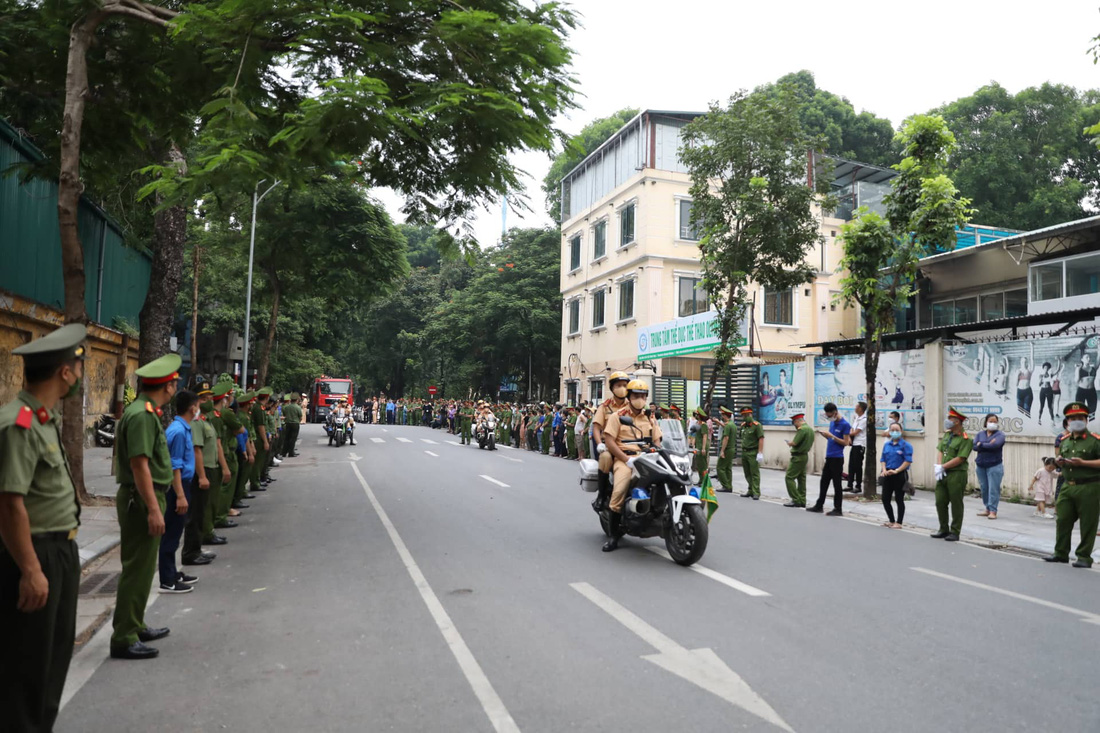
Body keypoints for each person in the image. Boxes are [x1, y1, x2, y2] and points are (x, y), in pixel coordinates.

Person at [0, 324, 86, 732]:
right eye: (77, 367)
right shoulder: (18, 423)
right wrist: (31, 570)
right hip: (34, 554)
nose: (79, 376)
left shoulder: (43, 419)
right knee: (27, 666)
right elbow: (9, 503)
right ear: (65, 373)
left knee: (53, 659)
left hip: (60, 551)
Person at [110, 353, 180, 660]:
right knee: (136, 569)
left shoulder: (146, 411)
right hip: (142, 499)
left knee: (142, 569)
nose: (176, 386)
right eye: (175, 382)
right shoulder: (141, 415)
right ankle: (124, 636)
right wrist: (153, 508)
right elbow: (139, 465)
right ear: (167, 386)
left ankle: (135, 624)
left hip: (148, 496)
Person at [599, 380, 663, 552]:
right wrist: (626, 459)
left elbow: (657, 440)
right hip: (625, 459)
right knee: (619, 490)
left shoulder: (650, 417)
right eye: (636, 396)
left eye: (643, 396)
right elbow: (610, 442)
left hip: (647, 458)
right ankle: (613, 536)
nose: (640, 399)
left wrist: (658, 451)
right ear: (628, 396)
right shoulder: (617, 416)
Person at [1044, 403, 1100, 567]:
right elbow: (1059, 458)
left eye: (1080, 418)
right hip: (1068, 486)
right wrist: (1058, 461)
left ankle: (1084, 557)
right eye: (1073, 418)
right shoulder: (1064, 441)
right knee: (1063, 519)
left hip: (1089, 486)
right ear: (1067, 421)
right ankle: (1061, 553)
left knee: (1088, 523)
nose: (1077, 421)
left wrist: (1084, 463)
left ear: (1086, 420)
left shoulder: (1095, 441)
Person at [160, 390, 197, 594]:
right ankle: (167, 579)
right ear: (192, 408)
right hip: (178, 487)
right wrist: (180, 495)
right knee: (171, 533)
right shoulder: (179, 431)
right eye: (198, 405)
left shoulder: (183, 428)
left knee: (176, 531)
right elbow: (175, 466)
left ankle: (172, 573)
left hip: (183, 485)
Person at [181, 382, 222, 568]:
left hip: (206, 469)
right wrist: (203, 476)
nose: (209, 401)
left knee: (201, 512)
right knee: (195, 515)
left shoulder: (205, 420)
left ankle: (196, 550)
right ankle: (191, 553)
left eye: (209, 398)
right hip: (200, 472)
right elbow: (197, 450)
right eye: (203, 399)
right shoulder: (197, 422)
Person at [931, 407, 972, 542]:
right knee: (940, 501)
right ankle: (943, 529)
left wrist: (943, 466)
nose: (947, 421)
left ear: (957, 422)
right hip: (943, 473)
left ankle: (955, 531)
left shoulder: (966, 439)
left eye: (950, 419)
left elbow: (961, 458)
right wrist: (939, 466)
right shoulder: (947, 435)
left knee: (956, 503)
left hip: (956, 474)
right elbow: (941, 450)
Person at [591, 372, 631, 510]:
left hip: (629, 446)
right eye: (619, 385)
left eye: (625, 385)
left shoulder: (633, 406)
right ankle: (601, 496)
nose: (622, 388)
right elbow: (596, 428)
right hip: (609, 446)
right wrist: (599, 444)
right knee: (606, 457)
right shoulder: (605, 407)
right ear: (612, 388)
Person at [810, 402, 850, 516]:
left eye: (829, 415)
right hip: (829, 456)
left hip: (837, 458)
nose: (829, 418)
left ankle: (838, 508)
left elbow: (846, 442)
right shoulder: (832, 424)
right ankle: (819, 505)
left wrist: (832, 436)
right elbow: (832, 440)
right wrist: (826, 436)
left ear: (835, 412)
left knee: (837, 484)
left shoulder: (845, 425)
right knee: (824, 482)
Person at [879, 422, 913, 528]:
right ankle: (891, 520)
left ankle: (899, 522)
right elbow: (883, 459)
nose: (894, 432)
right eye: (892, 430)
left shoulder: (906, 445)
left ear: (901, 431)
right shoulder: (887, 445)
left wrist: (897, 470)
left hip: (899, 474)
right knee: (885, 498)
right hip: (888, 474)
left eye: (897, 430)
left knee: (899, 499)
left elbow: (908, 461)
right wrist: (884, 470)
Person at [973, 413, 1006, 520]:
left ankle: (993, 511)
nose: (993, 423)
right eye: (990, 421)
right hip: (981, 465)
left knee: (993, 489)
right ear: (986, 422)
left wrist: (981, 444)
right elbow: (974, 446)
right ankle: (987, 508)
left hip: (994, 465)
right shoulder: (980, 434)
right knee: (984, 488)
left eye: (995, 422)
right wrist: (987, 444)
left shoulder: (1000, 435)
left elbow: (995, 445)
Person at [784, 413, 813, 507]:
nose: (795, 425)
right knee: (801, 479)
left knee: (789, 477)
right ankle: (802, 500)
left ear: (797, 421)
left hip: (798, 457)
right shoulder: (810, 429)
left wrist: (789, 443)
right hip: (804, 456)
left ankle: (795, 499)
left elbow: (795, 443)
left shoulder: (802, 430)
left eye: (794, 423)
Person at [738, 407, 764, 500]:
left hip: (753, 452)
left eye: (747, 415)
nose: (745, 417)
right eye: (744, 415)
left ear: (751, 414)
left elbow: (761, 438)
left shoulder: (757, 425)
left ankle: (756, 492)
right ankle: (750, 490)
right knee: (747, 472)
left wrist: (760, 453)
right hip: (744, 451)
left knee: (754, 473)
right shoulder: (743, 426)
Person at [846, 402, 867, 494]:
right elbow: (852, 429)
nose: (855, 407)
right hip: (854, 443)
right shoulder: (856, 418)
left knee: (858, 466)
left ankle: (858, 486)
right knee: (851, 465)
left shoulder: (864, 419)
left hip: (860, 444)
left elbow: (856, 432)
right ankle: (849, 484)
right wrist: (849, 437)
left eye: (857, 406)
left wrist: (848, 435)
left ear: (861, 409)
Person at [715, 406, 735, 492]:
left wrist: (722, 451)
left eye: (723, 415)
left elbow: (726, 438)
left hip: (727, 449)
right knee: (728, 468)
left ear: (726, 416)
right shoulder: (733, 425)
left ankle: (725, 485)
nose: (722, 417)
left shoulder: (727, 426)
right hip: (732, 448)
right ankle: (729, 485)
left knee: (720, 468)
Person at [1038, 359, 1062, 426]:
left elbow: (1057, 370)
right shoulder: (1040, 375)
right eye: (1045, 367)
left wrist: (1059, 361)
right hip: (1042, 390)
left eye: (1047, 368)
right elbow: (1039, 384)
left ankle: (1052, 420)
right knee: (1041, 406)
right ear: (1043, 368)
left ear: (1048, 369)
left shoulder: (1050, 375)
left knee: (1050, 406)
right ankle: (1039, 419)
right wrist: (1042, 380)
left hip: (1049, 390)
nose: (1046, 368)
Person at [691, 407, 710, 484]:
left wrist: (703, 448)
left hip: (702, 445)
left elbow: (704, 436)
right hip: (698, 445)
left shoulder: (704, 425)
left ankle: (705, 481)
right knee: (698, 464)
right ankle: (701, 479)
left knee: (703, 465)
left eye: (697, 414)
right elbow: (695, 435)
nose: (696, 415)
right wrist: (694, 445)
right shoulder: (697, 424)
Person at [1075, 354, 1098, 418]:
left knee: (1092, 408)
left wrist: (1099, 351)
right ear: (1082, 359)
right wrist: (1077, 370)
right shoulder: (1079, 369)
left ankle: (1091, 424)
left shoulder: (1093, 368)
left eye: (1089, 357)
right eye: (1086, 357)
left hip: (1091, 390)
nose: (1088, 358)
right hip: (1081, 390)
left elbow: (1098, 361)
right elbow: (1076, 381)